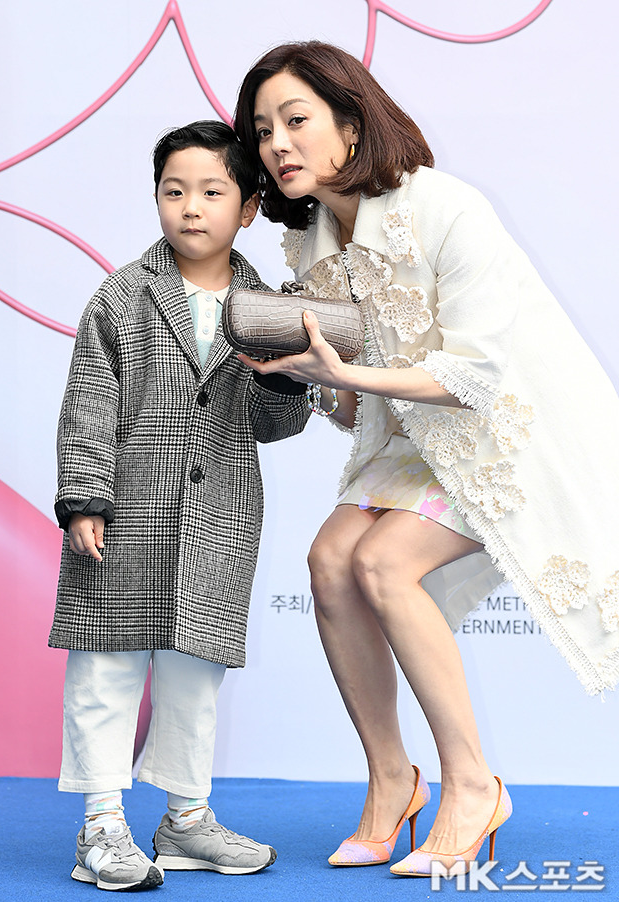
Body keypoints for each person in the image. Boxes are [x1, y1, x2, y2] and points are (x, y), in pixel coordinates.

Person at [233, 42, 619, 876]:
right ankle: (391, 781)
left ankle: (474, 783)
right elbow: (352, 401)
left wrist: (343, 373)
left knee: (381, 562)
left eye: (296, 120)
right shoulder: (310, 244)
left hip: (507, 431)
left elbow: (476, 375)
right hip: (414, 436)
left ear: (349, 119)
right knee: (329, 559)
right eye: (263, 130)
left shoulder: (445, 206)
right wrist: (311, 379)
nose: (277, 145)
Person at [49, 120, 309, 892]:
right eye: (173, 191)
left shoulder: (267, 305)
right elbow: (88, 403)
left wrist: (282, 377)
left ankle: (185, 822)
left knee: (196, 673)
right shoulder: (123, 295)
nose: (190, 208)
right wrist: (85, 498)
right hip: (125, 511)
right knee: (106, 665)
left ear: (249, 206)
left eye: (211, 191)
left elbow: (277, 426)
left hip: (220, 514)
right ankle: (101, 825)